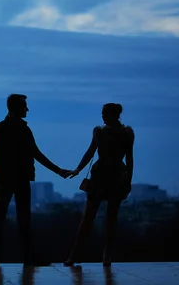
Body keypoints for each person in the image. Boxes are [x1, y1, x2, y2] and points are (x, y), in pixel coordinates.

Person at [0, 94, 71, 267]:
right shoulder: (17, 129)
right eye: (24, 106)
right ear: (16, 108)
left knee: (4, 219)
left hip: (11, 180)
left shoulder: (4, 128)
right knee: (19, 220)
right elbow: (34, 154)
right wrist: (58, 171)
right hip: (17, 179)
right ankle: (26, 258)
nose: (27, 109)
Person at [64, 103, 134, 266]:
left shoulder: (120, 133)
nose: (102, 116)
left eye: (104, 113)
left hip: (110, 177)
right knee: (96, 218)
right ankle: (83, 255)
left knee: (100, 218)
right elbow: (90, 152)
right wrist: (78, 169)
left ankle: (88, 255)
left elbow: (129, 158)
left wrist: (128, 182)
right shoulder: (109, 133)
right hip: (108, 176)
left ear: (114, 114)